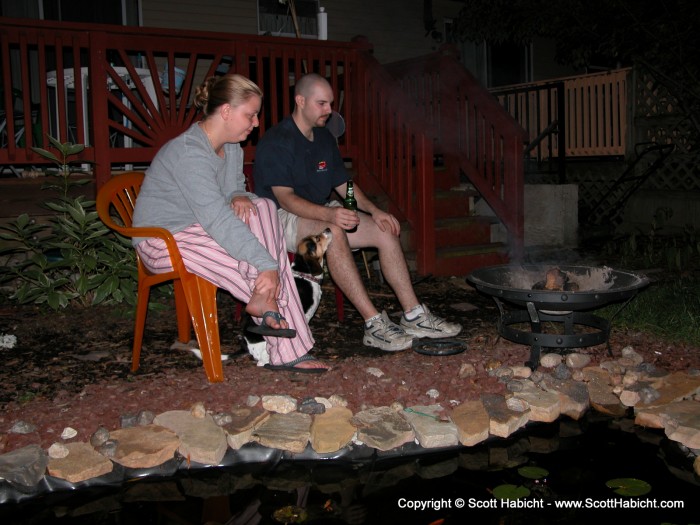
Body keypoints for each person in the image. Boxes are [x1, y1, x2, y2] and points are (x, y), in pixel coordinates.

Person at [131, 73, 328, 372]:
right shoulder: (189, 153)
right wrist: (267, 264)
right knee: (253, 264)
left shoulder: (232, 145)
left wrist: (238, 194)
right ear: (225, 111)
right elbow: (217, 219)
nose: (256, 123)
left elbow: (234, 186)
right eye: (250, 115)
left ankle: (268, 308)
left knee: (261, 205)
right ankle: (287, 347)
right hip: (162, 239)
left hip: (199, 229)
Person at [253, 73, 462, 352]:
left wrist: (374, 211)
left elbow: (344, 186)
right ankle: (373, 323)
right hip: (279, 218)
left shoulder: (325, 138)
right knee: (334, 232)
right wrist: (329, 216)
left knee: (385, 232)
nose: (329, 110)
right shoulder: (277, 140)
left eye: (330, 104)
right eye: (322, 104)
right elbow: (286, 199)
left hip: (320, 213)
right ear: (300, 101)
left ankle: (414, 315)